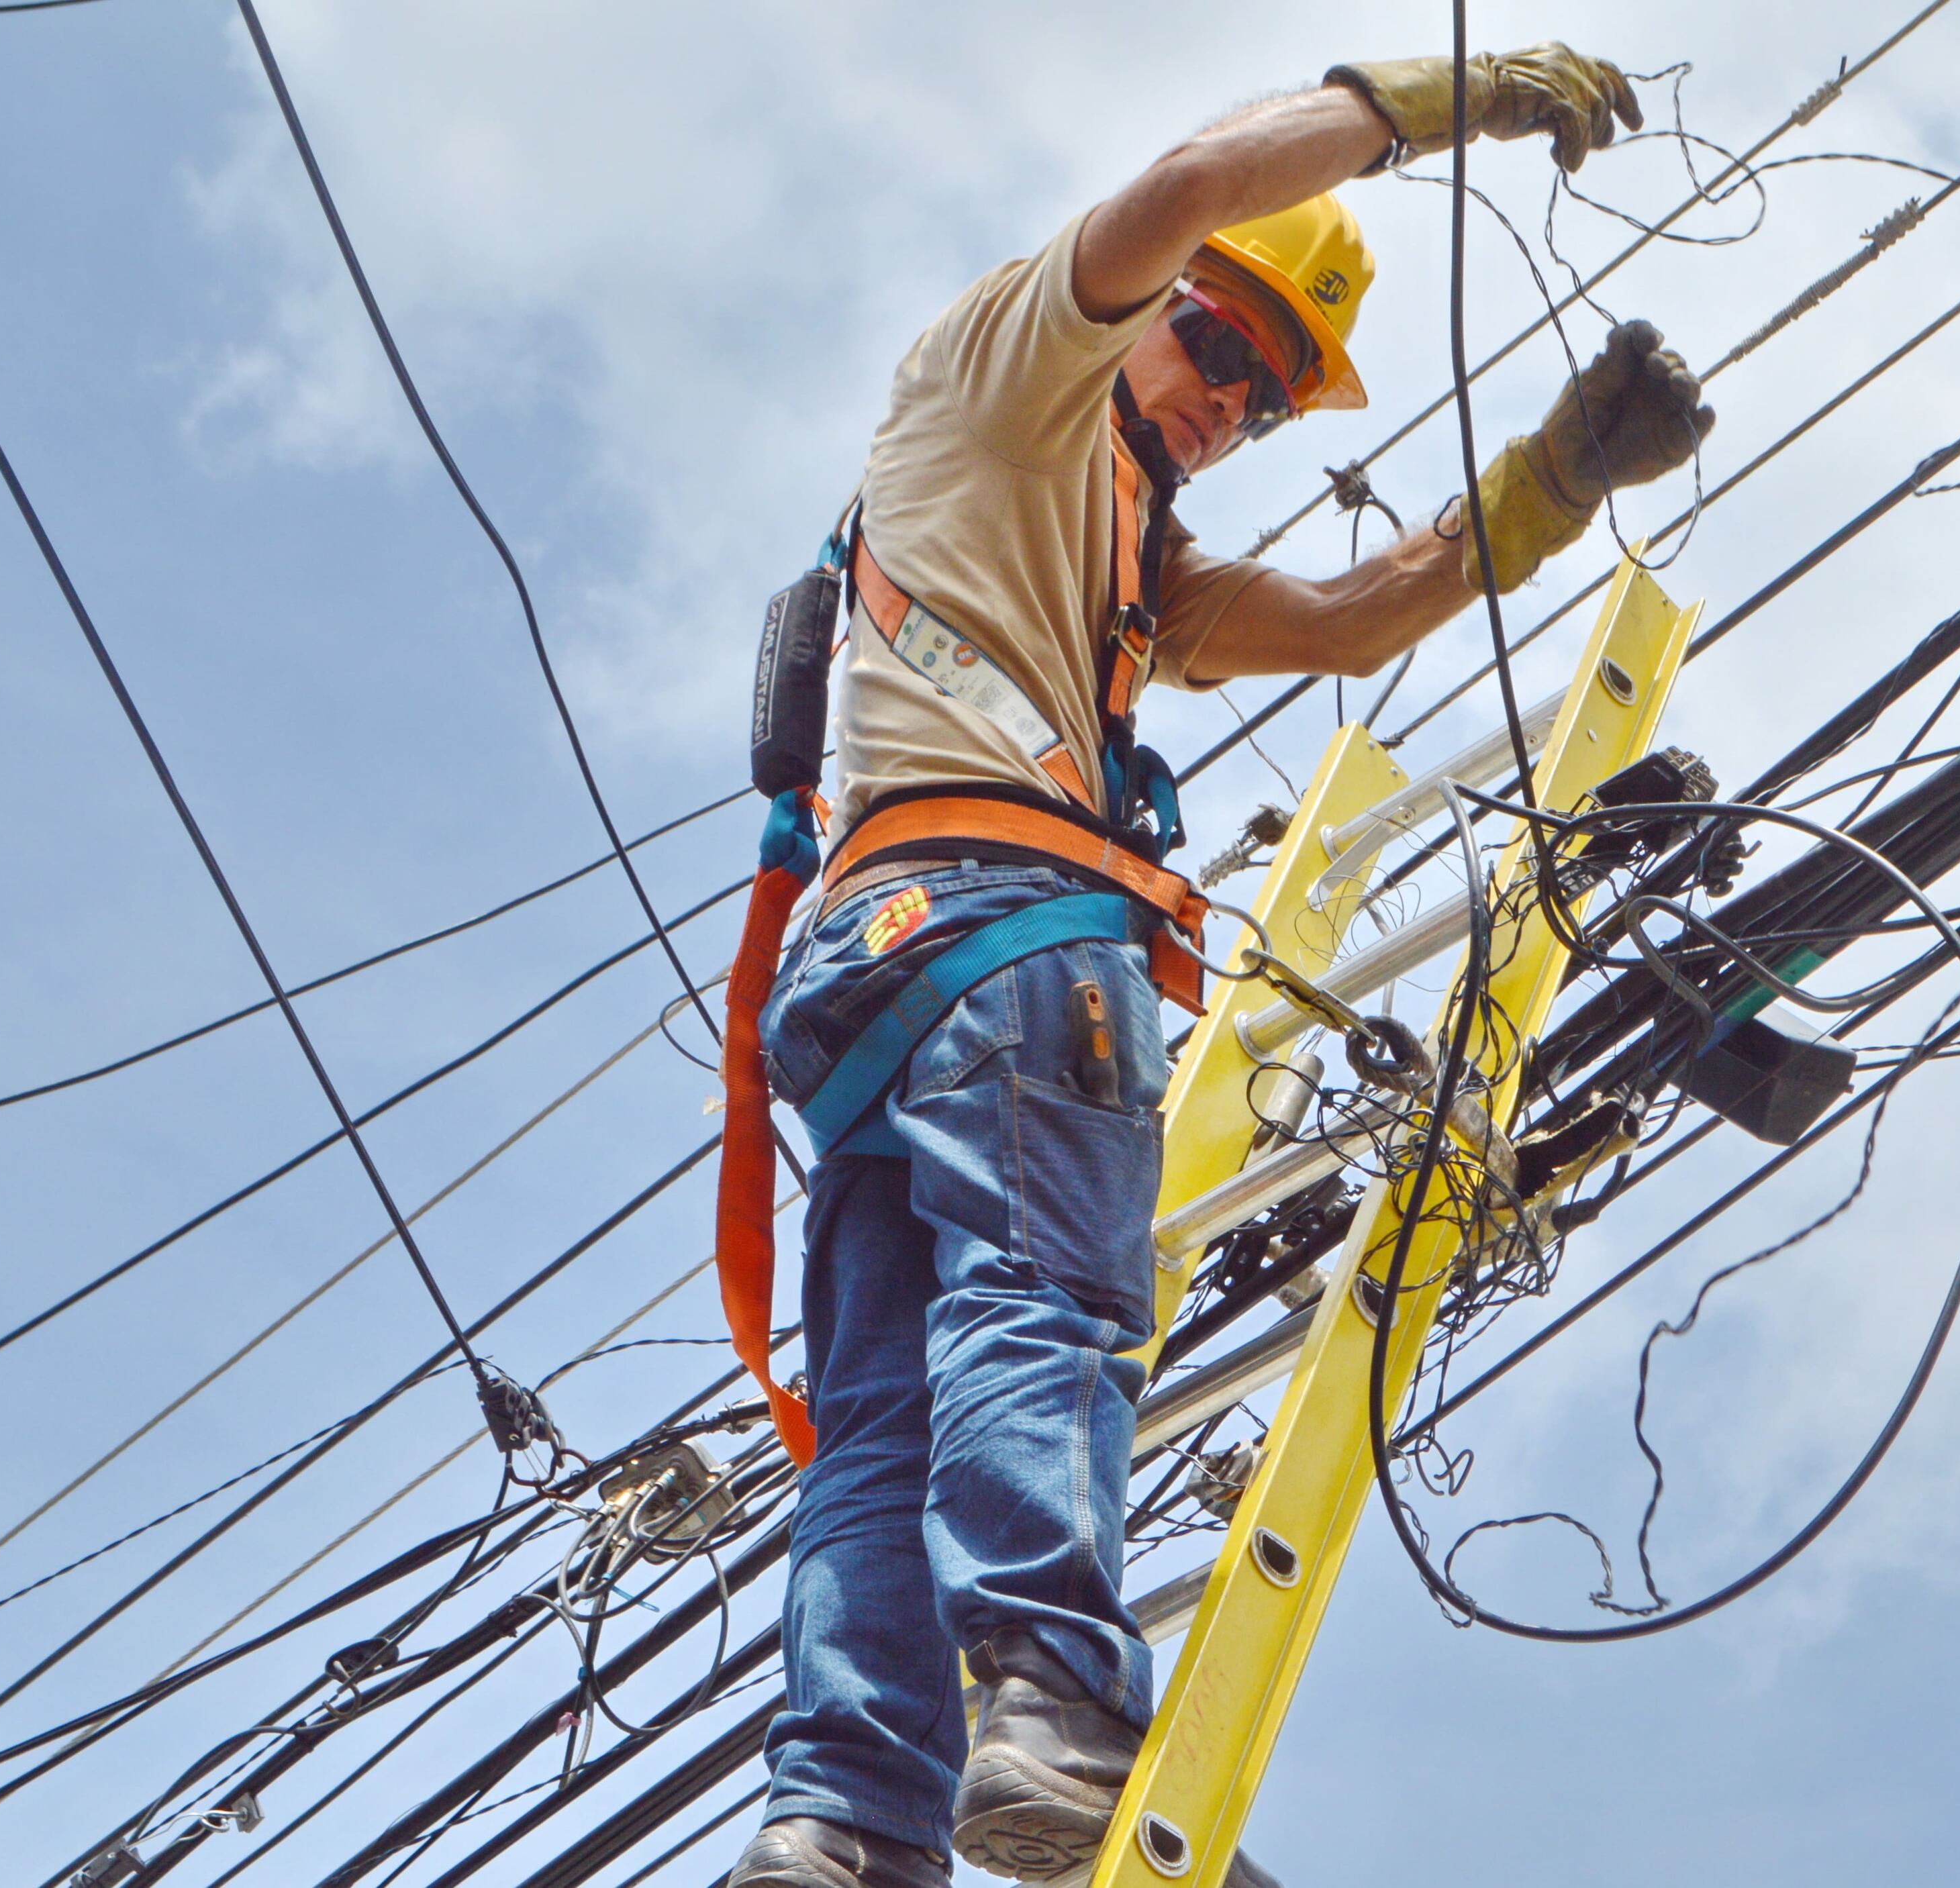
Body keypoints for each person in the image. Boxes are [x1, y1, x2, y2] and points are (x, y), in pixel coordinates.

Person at [727, 41, 1712, 1888]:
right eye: (1219, 345)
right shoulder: (1018, 369)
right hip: (995, 928)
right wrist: (1459, 97)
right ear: (1151, 311)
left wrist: (1554, 484)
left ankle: (841, 1825)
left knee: (887, 1412)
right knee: (1046, 1302)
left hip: (874, 970)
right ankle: (1056, 1712)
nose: (1229, 404)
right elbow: (1185, 185)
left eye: (1265, 397)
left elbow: (1345, 619)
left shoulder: (1119, 559)